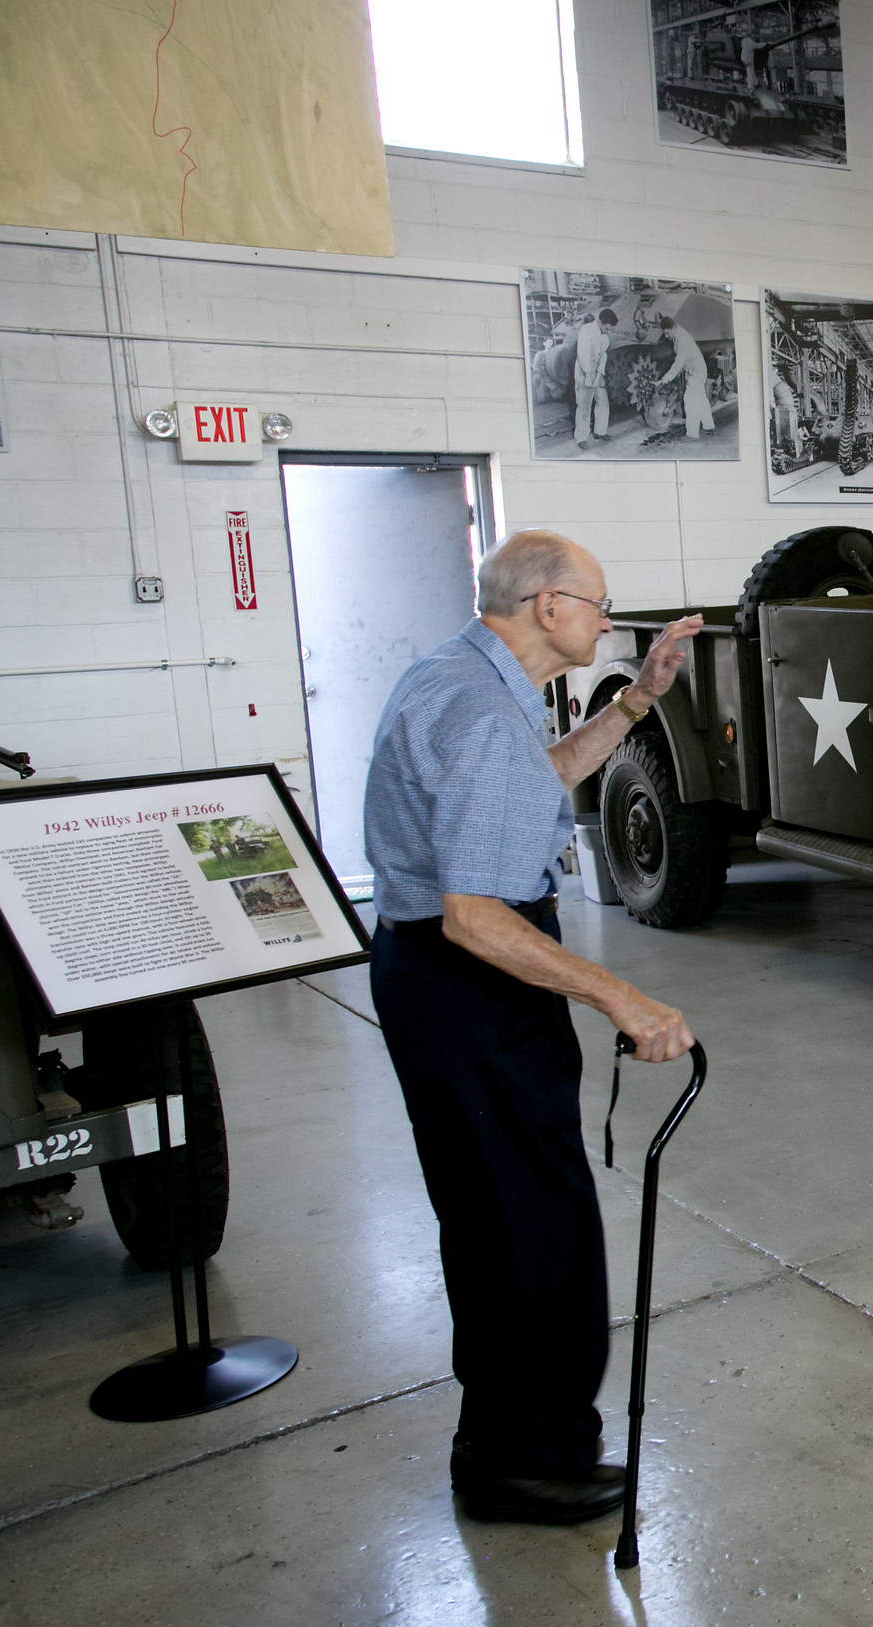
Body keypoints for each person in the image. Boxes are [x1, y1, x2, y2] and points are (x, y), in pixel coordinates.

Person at [363, 530, 702, 1526]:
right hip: (466, 976)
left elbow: (535, 780)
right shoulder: (474, 708)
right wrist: (616, 995)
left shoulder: (474, 681)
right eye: (598, 604)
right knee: (518, 1226)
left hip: (454, 974)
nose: (604, 619)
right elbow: (473, 914)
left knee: (513, 1215)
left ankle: (517, 1445)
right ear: (549, 607)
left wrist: (636, 698)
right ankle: (521, 1462)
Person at [657, 319, 715, 439]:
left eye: (667, 333)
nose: (666, 336)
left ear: (673, 328)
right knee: (701, 399)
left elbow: (679, 362)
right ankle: (709, 426)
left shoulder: (682, 338)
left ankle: (692, 434)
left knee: (690, 401)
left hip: (696, 372)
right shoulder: (677, 336)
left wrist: (666, 378)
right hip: (696, 370)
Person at [573, 308, 614, 449]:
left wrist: (599, 375)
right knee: (584, 406)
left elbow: (604, 356)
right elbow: (583, 355)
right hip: (584, 371)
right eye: (607, 328)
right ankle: (581, 438)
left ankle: (600, 431)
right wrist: (589, 376)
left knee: (603, 401)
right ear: (601, 322)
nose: (608, 331)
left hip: (596, 372)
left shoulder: (605, 337)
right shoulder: (586, 330)